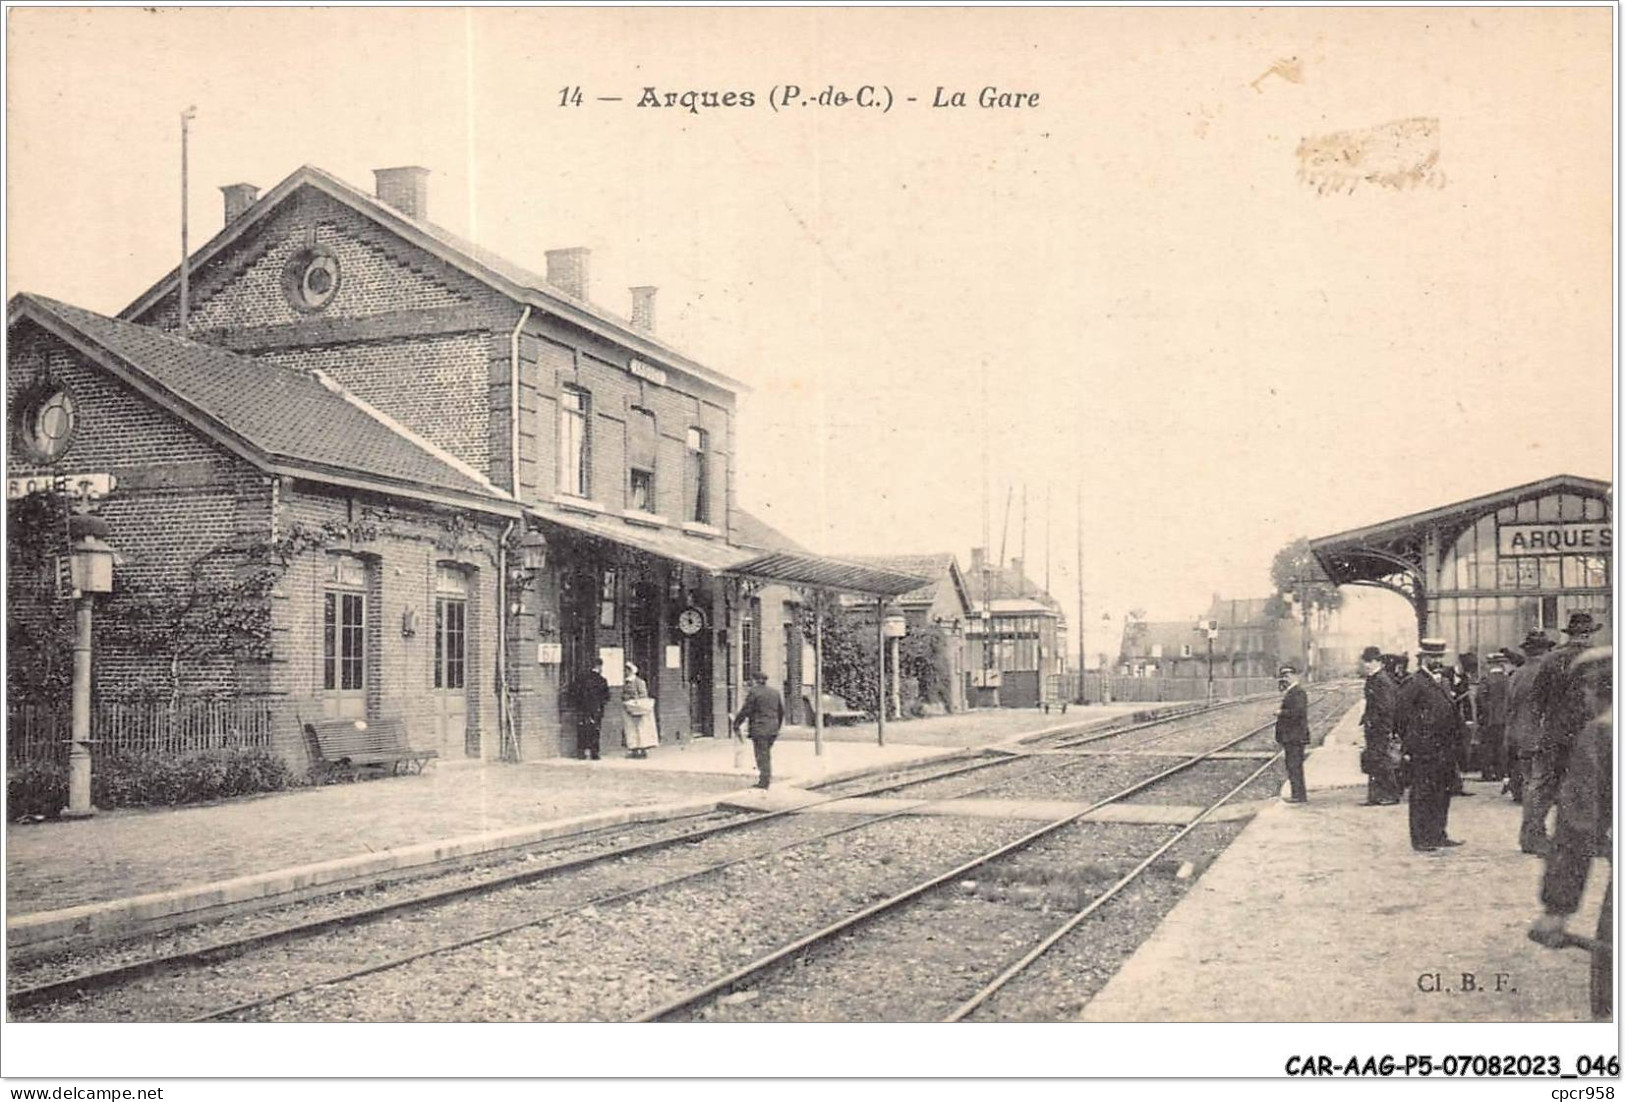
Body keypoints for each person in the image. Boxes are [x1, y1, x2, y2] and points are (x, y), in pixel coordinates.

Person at [1529, 645, 1612, 1021]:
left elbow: (1578, 824)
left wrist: (1557, 908)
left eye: (1584, 690)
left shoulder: (1601, 735)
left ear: (1596, 688)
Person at [1525, 613, 1601, 853]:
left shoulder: (1551, 660)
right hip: (1589, 736)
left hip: (1555, 735)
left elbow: (1536, 700)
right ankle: (1592, 839)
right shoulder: (1600, 661)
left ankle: (1533, 837)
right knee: (1591, 786)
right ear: (1588, 634)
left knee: (1545, 787)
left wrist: (1538, 731)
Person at [1395, 638, 1464, 852]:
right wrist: (1412, 743)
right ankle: (1421, 838)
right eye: (1432, 657)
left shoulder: (1442, 681)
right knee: (1422, 793)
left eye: (1439, 657)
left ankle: (1438, 833)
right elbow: (1401, 716)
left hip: (1444, 748)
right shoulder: (1414, 683)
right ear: (1422, 658)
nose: (1437, 660)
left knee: (1442, 792)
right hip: (1424, 749)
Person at [1509, 630, 1555, 821]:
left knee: (1529, 783)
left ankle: (1530, 832)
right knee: (1542, 786)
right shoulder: (1550, 673)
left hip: (1523, 738)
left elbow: (1510, 708)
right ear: (1545, 651)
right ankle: (1535, 832)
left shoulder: (1516, 675)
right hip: (1545, 736)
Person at [1359, 645, 1402, 805]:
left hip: (1380, 729)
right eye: (1365, 661)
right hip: (1373, 728)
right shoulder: (1373, 679)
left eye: (1370, 661)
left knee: (1383, 761)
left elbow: (1387, 708)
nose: (1367, 665)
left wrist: (1385, 729)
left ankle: (1391, 794)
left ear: (1378, 662)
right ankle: (1375, 796)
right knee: (1374, 761)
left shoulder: (1382, 681)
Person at [733, 670, 786, 789]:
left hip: (759, 728)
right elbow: (781, 712)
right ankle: (765, 778)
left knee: (761, 755)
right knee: (765, 753)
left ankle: (764, 781)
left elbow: (746, 710)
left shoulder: (754, 692)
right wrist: (777, 726)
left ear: (755, 680)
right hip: (772, 729)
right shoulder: (775, 692)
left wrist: (736, 723)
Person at [1275, 664, 1309, 804]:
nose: (1285, 679)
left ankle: (1298, 795)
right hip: (1292, 735)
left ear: (1295, 676)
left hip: (1295, 735)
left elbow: (1298, 713)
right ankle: (1297, 794)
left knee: (1294, 765)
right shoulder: (1292, 691)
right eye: (1284, 676)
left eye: (1288, 676)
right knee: (1293, 765)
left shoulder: (1298, 692)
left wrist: (1281, 713)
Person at [1479, 650, 1511, 784]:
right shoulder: (1507, 679)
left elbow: (1480, 698)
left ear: (1490, 664)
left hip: (1489, 718)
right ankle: (1500, 773)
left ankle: (1487, 773)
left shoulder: (1486, 679)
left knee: (1487, 746)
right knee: (1501, 746)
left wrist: (1482, 714)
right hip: (1504, 718)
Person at [572, 657, 609, 760]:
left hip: (582, 709)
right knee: (595, 731)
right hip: (596, 710)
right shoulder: (602, 680)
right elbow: (606, 697)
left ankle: (581, 752)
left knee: (582, 729)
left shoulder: (581, 678)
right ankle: (594, 753)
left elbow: (575, 692)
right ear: (599, 666)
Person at [621, 662, 659, 759]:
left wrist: (634, 698)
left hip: (638, 708)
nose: (625, 672)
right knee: (631, 729)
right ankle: (633, 748)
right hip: (629, 709)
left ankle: (642, 749)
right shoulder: (625, 682)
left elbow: (643, 694)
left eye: (626, 670)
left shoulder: (639, 682)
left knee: (641, 729)